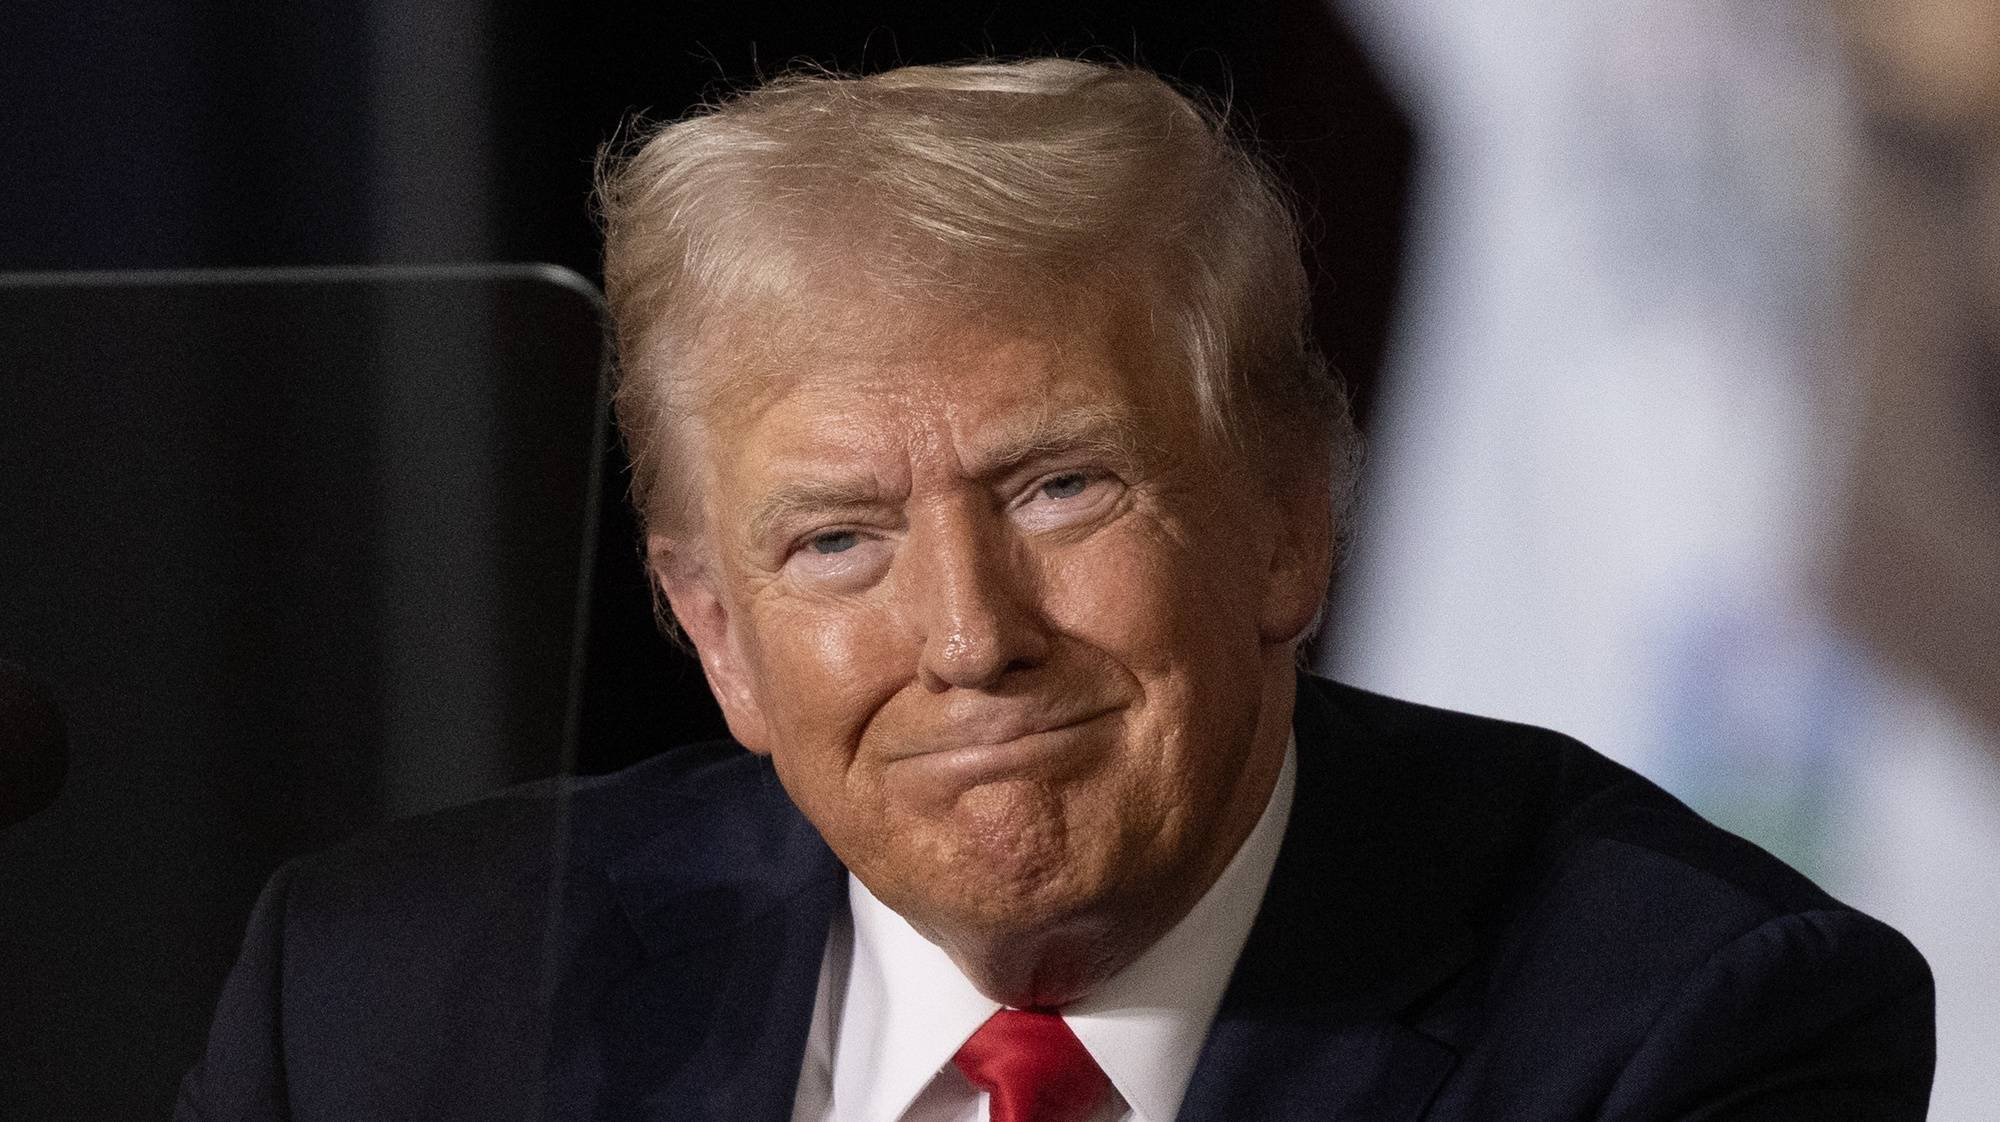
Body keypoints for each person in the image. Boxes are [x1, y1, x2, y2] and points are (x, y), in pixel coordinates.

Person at [175, 58, 1935, 1121]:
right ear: (713, 631)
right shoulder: (382, 1007)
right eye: (836, 539)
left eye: (1059, 485)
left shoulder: (1681, 1023)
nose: (970, 634)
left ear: (1288, 520)